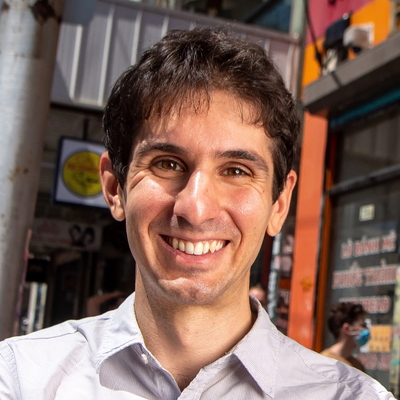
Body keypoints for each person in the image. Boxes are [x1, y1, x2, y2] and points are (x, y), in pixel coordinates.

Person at [0, 28, 394, 399]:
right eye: (167, 164)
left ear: (279, 203)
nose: (196, 208)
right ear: (115, 187)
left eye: (236, 171)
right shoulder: (21, 378)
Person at [321, 302, 369, 372]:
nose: (365, 330)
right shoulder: (324, 362)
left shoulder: (357, 366)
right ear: (347, 329)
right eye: (362, 325)